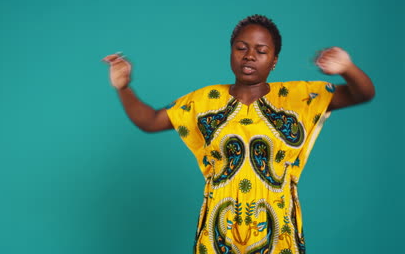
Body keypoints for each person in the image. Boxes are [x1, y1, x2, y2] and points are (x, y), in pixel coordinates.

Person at [103, 15, 375, 254]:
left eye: (261, 50)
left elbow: (362, 94)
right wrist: (123, 87)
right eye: (241, 48)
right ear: (231, 52)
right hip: (217, 229)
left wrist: (347, 68)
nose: (249, 56)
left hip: (278, 228)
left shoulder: (299, 97)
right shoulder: (204, 101)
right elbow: (150, 121)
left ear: (274, 60)